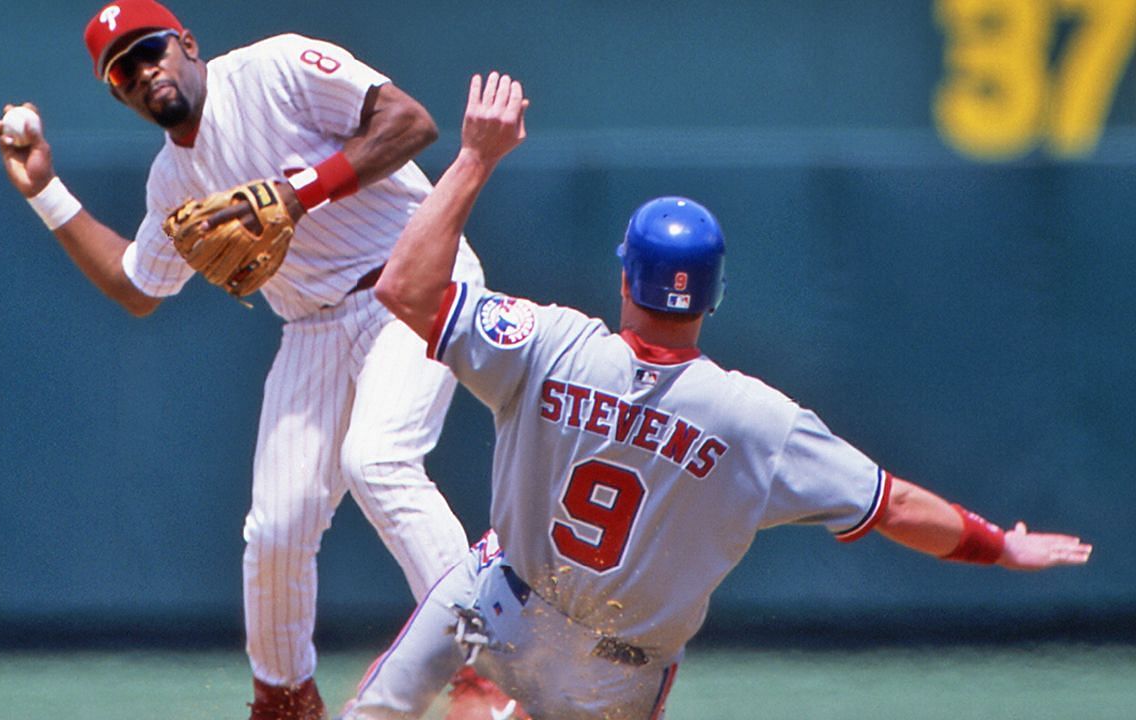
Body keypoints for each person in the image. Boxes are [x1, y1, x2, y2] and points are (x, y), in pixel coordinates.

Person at [336, 72, 1094, 719]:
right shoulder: (757, 419)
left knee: (394, 683)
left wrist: (474, 156)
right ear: (713, 295)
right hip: (616, 673)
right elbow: (893, 507)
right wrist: (999, 545)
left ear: (625, 275)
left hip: (501, 610)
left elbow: (405, 286)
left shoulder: (548, 342)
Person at [0, 2, 521, 718]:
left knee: (379, 460)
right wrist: (44, 191)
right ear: (118, 93)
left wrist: (296, 192)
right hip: (313, 324)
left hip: (416, 278)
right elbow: (137, 286)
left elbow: (410, 123)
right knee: (277, 526)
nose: (147, 73)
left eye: (151, 51)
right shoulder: (171, 182)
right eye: (125, 71)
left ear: (186, 43)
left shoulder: (277, 68)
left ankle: (487, 668)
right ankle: (284, 697)